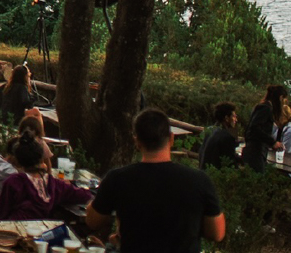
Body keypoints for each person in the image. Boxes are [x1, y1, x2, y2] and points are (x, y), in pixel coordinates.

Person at [86, 107, 225, 253]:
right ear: (171, 138)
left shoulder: (118, 179)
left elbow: (92, 222)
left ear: (137, 141)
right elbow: (217, 233)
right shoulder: (200, 181)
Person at [0, 130, 91, 221]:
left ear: (18, 161)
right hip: (42, 232)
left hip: (16, 231)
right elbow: (83, 195)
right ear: (40, 158)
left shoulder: (14, 182)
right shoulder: (53, 184)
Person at [242, 84, 287, 173]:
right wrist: (272, 142)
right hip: (256, 152)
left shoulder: (262, 106)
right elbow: (255, 128)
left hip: (254, 151)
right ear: (280, 98)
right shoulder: (265, 108)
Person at [199, 102, 240, 170]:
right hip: (216, 176)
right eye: (234, 116)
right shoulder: (226, 137)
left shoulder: (208, 130)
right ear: (226, 118)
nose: (236, 119)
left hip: (203, 172)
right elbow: (230, 163)